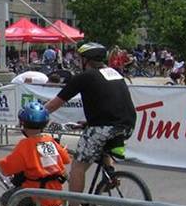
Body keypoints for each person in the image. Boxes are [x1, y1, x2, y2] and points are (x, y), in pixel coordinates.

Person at [43, 42, 136, 195]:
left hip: (104, 126)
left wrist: (36, 114)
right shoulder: (114, 73)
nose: (78, 62)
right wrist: (89, 122)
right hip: (127, 124)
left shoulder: (84, 77)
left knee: (78, 166)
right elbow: (112, 101)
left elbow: (54, 104)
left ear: (86, 60)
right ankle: (110, 175)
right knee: (102, 145)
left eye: (79, 59)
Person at [0, 101, 71, 206]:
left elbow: (9, 165)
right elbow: (65, 159)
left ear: (23, 124)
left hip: (34, 191)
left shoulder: (25, 145)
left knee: (5, 201)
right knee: (44, 201)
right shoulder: (49, 141)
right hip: (54, 189)